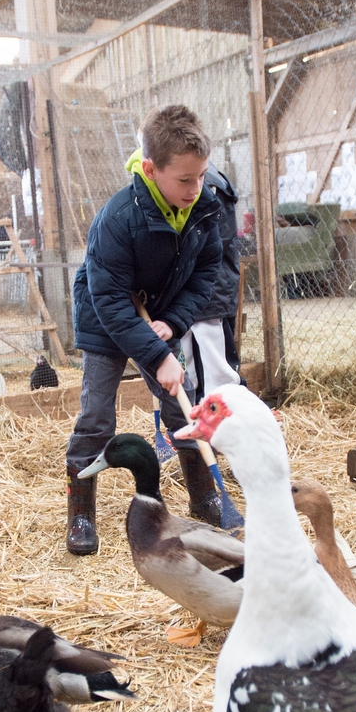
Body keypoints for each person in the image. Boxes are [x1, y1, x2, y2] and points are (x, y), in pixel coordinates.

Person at [64, 105, 225, 555]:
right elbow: (111, 301)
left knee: (182, 407)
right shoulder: (118, 219)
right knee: (97, 414)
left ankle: (205, 497)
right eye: (184, 180)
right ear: (151, 169)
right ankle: (80, 515)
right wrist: (156, 356)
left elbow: (205, 272)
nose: (196, 190)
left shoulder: (203, 208)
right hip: (106, 316)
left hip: (158, 313)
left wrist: (172, 324)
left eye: (201, 176)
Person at [183, 162, 244, 404]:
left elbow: (215, 243)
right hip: (198, 289)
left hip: (208, 290)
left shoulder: (205, 184)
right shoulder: (203, 177)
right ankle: (195, 416)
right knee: (192, 359)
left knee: (216, 362)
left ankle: (228, 413)